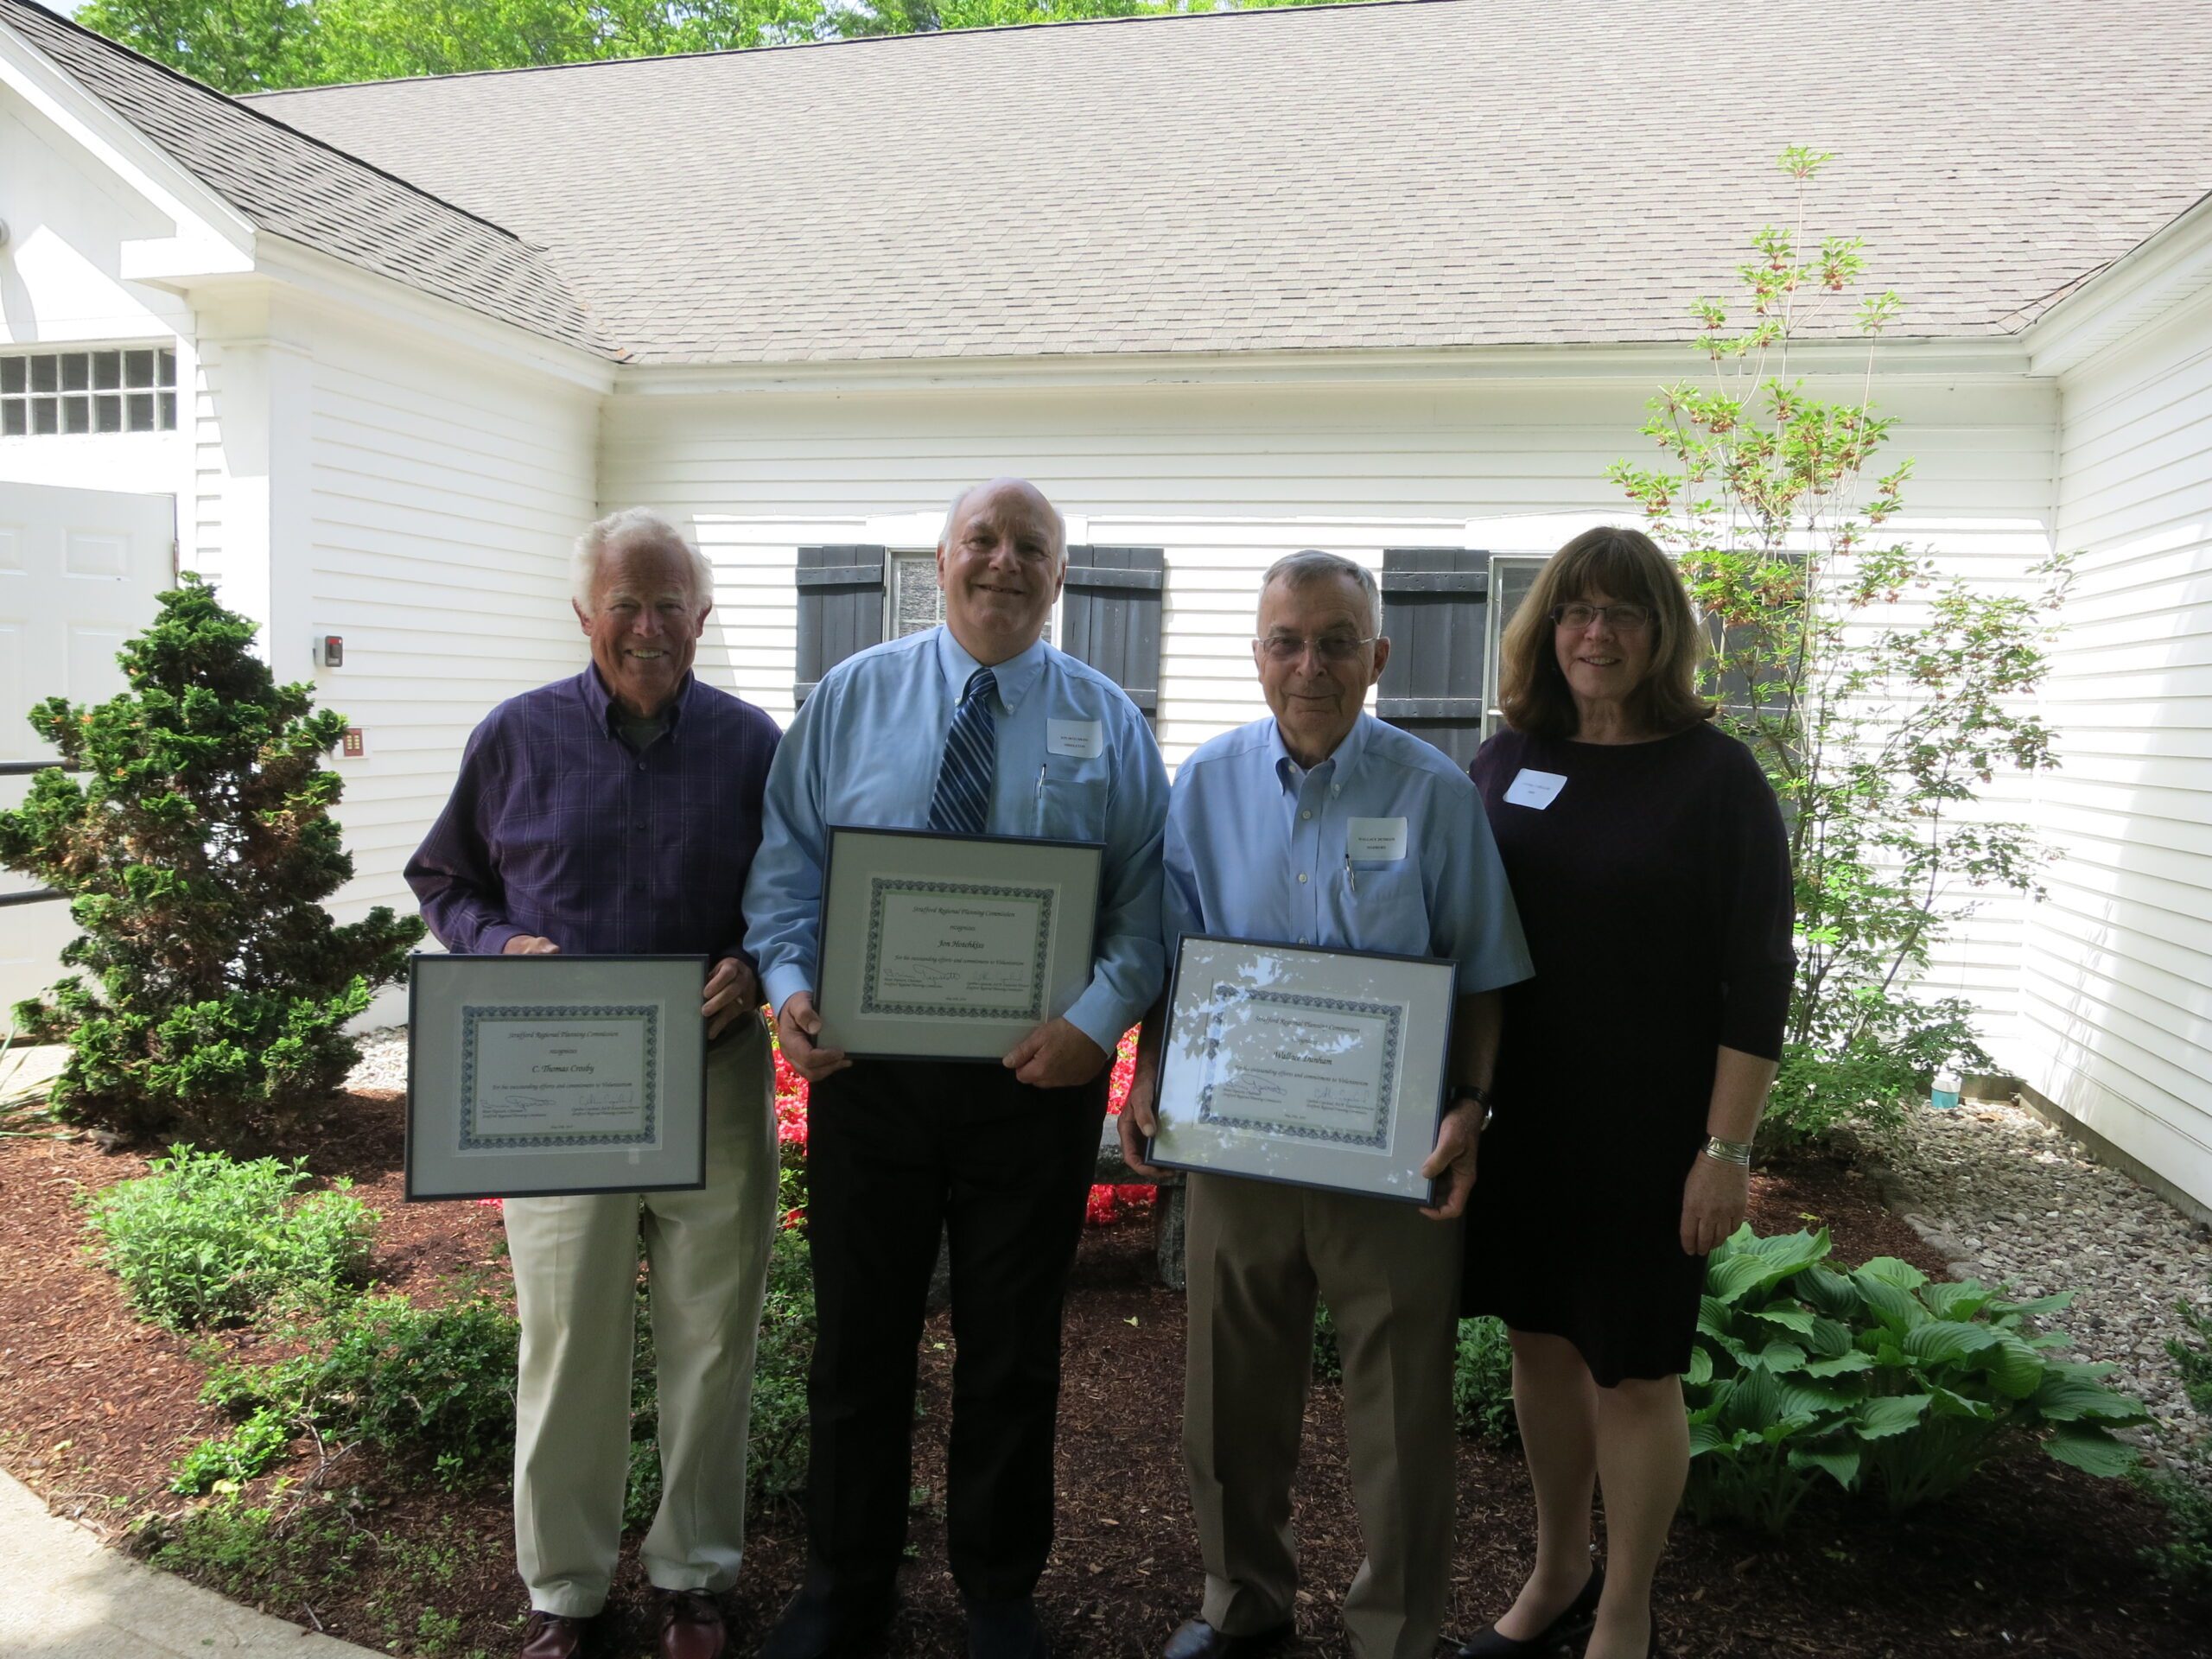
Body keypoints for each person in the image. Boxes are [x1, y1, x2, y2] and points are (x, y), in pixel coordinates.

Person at [745, 477, 1170, 1659]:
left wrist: (1097, 1020)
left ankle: (997, 1591)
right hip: (869, 1078)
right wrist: (789, 993)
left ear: (1059, 575)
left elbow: (1146, 907)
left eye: (1031, 546)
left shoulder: (1109, 720)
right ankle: (845, 1584)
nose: (1004, 562)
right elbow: (786, 877)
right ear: (938, 562)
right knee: (858, 1342)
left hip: (1033, 1083)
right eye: (981, 540)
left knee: (1013, 1349)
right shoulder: (852, 699)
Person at [1118, 550, 1533, 1659]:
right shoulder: (1202, 784)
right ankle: (1238, 1605)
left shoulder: (1436, 794)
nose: (1311, 665)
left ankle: (1394, 1632)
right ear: (1257, 655)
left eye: (1336, 641)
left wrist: (1472, 1110)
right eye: (1287, 641)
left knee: (1400, 1413)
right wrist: (1152, 1067)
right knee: (1226, 1398)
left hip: (1390, 1158)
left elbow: (1483, 969)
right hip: (1237, 1145)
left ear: (1377, 657)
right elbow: (1175, 956)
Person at [405, 509, 782, 1659]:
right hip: (560, 1087)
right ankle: (565, 1588)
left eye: (671, 604)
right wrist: (492, 946)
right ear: (586, 616)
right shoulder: (515, 739)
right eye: (626, 602)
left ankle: (693, 1575)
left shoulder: (753, 744)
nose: (649, 626)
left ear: (703, 618)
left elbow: (794, 890)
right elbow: (444, 875)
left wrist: (759, 960)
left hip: (712, 1080)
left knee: (713, 1338)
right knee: (565, 1340)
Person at [1454, 526, 1796, 1659]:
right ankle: (1556, 1571)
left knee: (1636, 1370)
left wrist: (1726, 1151)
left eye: (1624, 613)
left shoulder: (1717, 780)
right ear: (1546, 628)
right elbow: (1455, 933)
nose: (1595, 634)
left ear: (1665, 634)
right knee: (1540, 1347)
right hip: (1526, 1122)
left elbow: (1758, 982)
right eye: (1575, 611)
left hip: (1651, 1135)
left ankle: (1625, 1609)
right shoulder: (1505, 761)